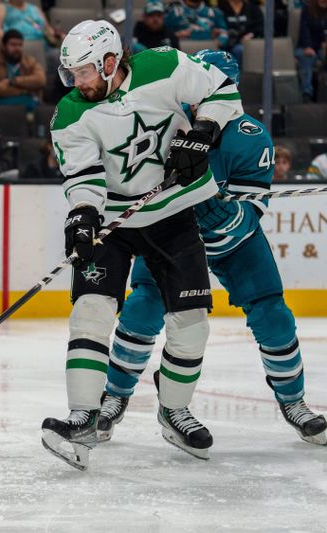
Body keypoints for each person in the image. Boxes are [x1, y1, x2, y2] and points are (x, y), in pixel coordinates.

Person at [98, 50, 327, 448]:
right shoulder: (164, 124)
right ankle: (114, 397)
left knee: (273, 314)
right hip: (171, 234)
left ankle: (294, 401)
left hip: (234, 244)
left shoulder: (249, 137)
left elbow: (250, 212)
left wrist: (222, 216)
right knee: (143, 307)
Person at [43, 20, 243, 470]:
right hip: (114, 220)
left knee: (191, 322)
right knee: (90, 309)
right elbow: (82, 175)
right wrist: (83, 214)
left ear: (111, 62)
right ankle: (83, 416)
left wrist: (203, 130)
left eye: (85, 72)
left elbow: (224, 90)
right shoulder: (71, 113)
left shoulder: (165, 65)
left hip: (173, 211)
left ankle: (174, 410)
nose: (77, 82)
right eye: (71, 74)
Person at [0, 29, 46, 112]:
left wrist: (12, 81)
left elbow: (41, 80)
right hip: (1, 106)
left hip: (29, 105)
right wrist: (25, 89)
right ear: (4, 46)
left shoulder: (30, 62)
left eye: (20, 45)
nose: (17, 48)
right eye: (13, 45)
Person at [294, 0, 327, 102]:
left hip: (323, 48)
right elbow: (304, 30)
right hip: (306, 46)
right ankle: (307, 93)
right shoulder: (307, 9)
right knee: (306, 57)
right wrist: (308, 46)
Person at [217, 0, 263, 67]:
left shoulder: (252, 8)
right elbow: (218, 26)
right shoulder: (220, 8)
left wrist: (252, 34)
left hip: (244, 43)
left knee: (240, 49)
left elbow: (260, 26)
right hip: (225, 43)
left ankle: (239, 75)